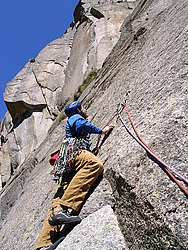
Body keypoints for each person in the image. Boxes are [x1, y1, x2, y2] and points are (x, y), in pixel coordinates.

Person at [37, 100, 114, 250]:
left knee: (58, 199)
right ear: (78, 110)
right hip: (74, 152)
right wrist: (101, 131)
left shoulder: (72, 121)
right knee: (93, 164)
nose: (85, 109)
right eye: (83, 107)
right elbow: (81, 125)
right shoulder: (75, 118)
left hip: (67, 163)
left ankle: (43, 245)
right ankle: (63, 210)